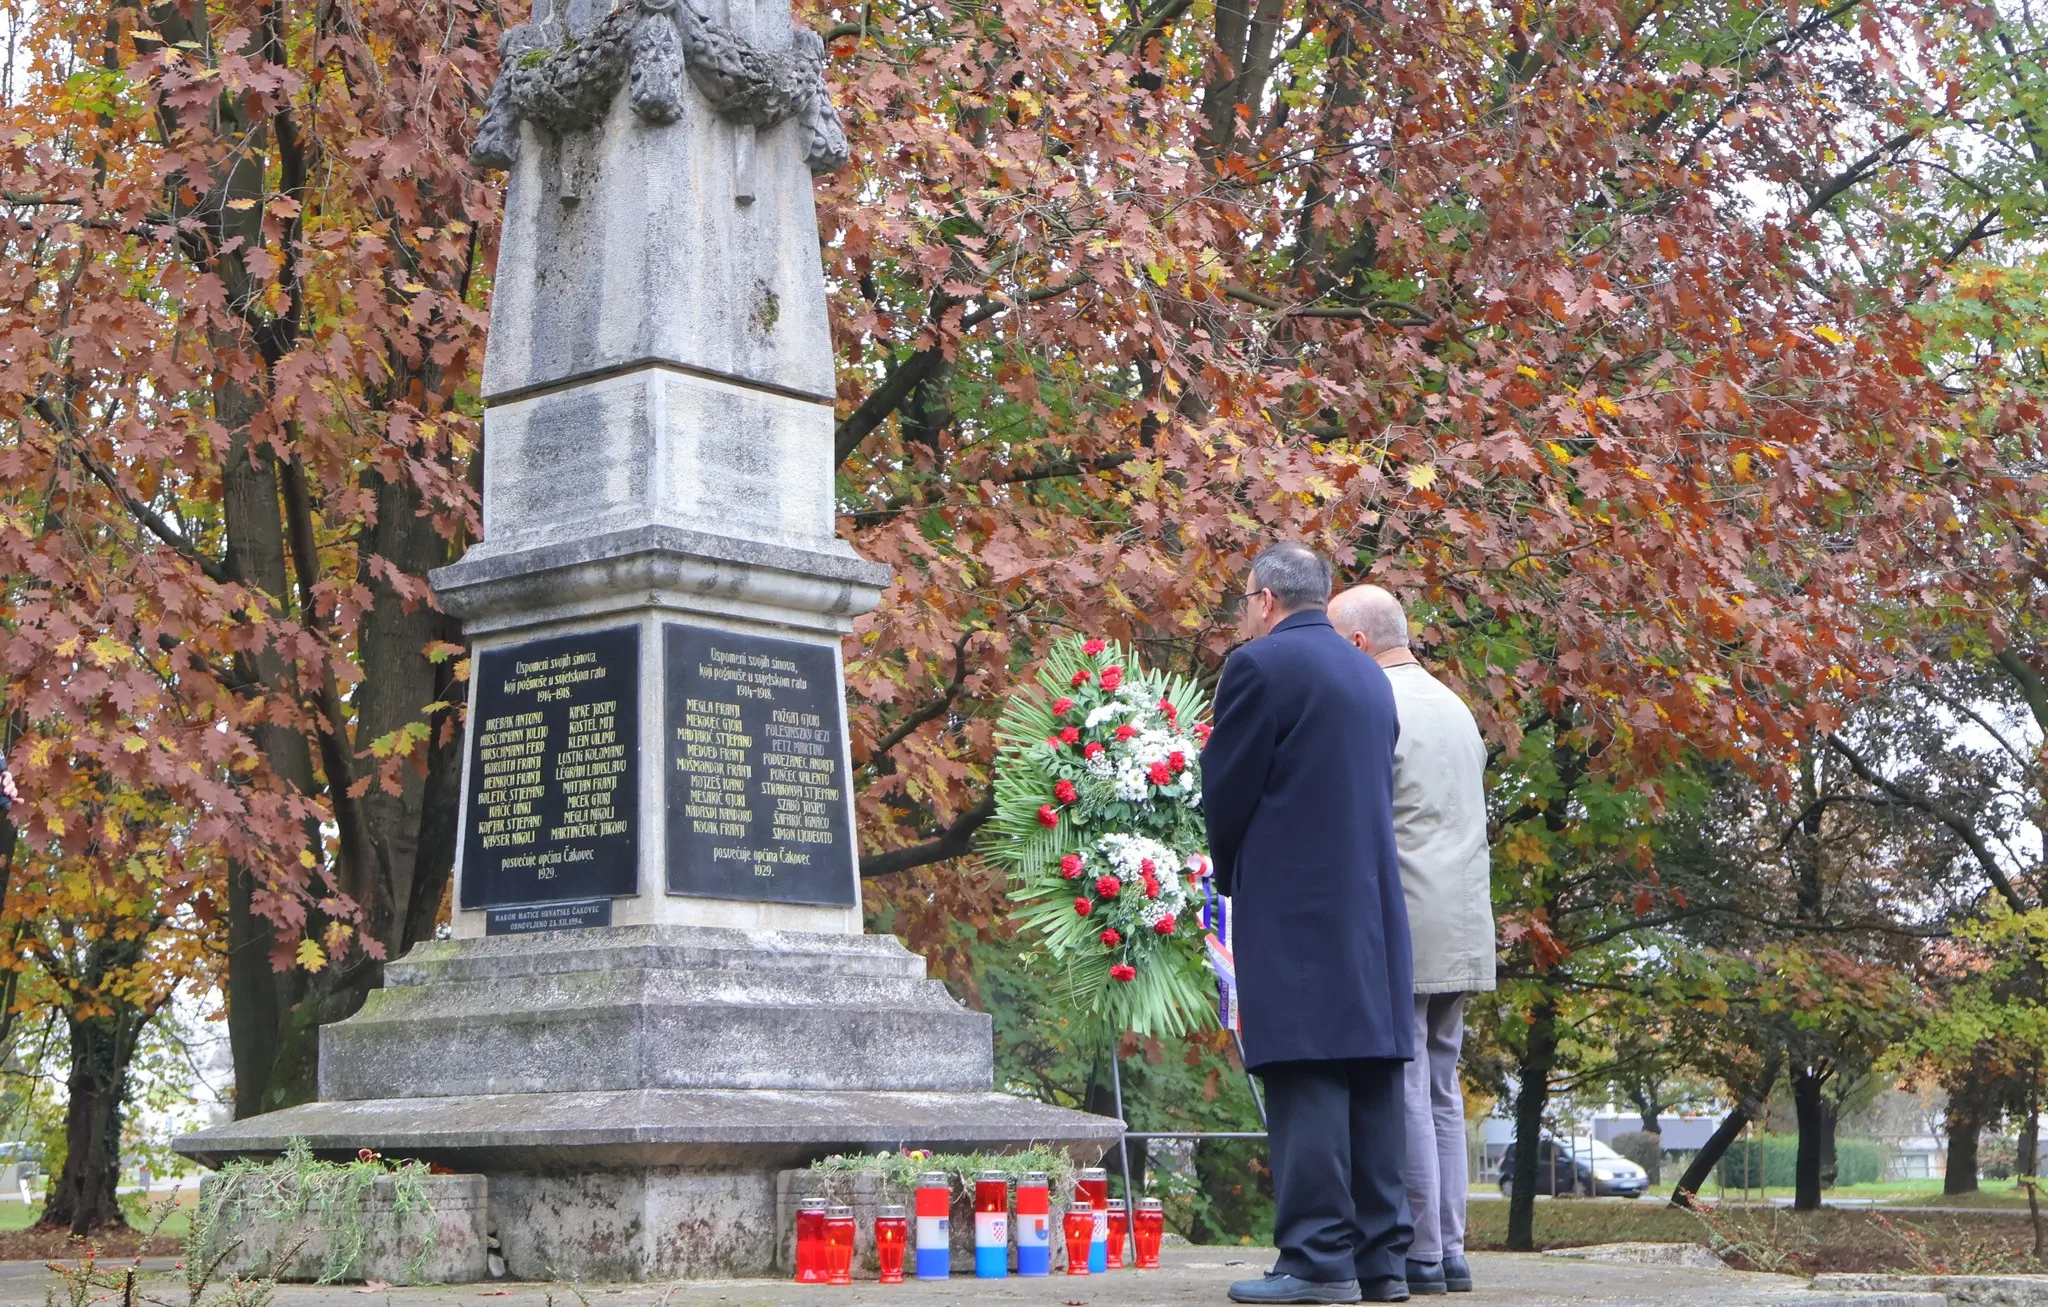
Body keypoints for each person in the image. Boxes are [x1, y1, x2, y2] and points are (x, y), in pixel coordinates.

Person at [1203, 543, 1415, 1306]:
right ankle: (1382, 1260)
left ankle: (1317, 1259)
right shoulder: (1370, 672)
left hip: (1296, 901)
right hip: (1371, 901)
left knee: (1306, 1069)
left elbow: (1227, 787)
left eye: (1242, 601)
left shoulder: (1257, 667)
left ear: (1263, 599)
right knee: (1369, 1070)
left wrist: (1227, 876)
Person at [1328, 585, 1494, 1297]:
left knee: (1404, 1081)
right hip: (1463, 916)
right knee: (1442, 1083)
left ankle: (1420, 1250)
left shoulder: (1378, 705)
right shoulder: (1454, 705)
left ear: (1359, 643)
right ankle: (1451, 1247)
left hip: (1406, 910)